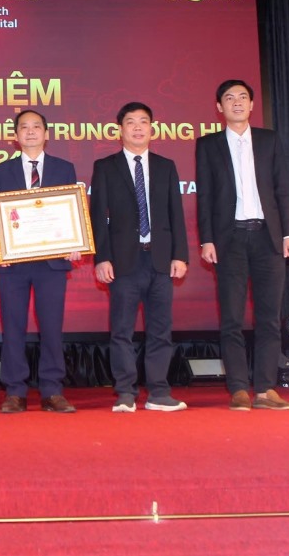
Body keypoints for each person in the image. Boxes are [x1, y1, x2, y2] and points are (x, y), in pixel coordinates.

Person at [196, 79, 289, 411]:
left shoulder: (269, 140)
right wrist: (207, 238)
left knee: (269, 318)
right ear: (219, 107)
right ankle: (239, 387)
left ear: (252, 105)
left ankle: (265, 389)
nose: (236, 102)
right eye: (229, 98)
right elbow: (206, 196)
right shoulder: (208, 145)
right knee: (232, 318)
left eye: (242, 97)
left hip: (268, 237)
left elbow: (283, 189)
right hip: (230, 239)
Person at [91, 102, 189, 413]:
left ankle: (159, 392)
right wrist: (102, 258)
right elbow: (98, 217)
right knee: (122, 330)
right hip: (123, 261)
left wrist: (180, 255)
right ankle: (125, 393)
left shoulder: (166, 166)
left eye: (143, 122)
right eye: (130, 122)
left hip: (160, 258)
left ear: (152, 128)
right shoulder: (105, 167)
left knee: (161, 329)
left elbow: (176, 214)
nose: (137, 127)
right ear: (119, 130)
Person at [0, 109, 80, 414]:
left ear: (46, 134)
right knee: (13, 327)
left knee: (51, 327)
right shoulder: (2, 171)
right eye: (23, 127)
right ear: (15, 136)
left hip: (52, 262)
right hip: (15, 263)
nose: (30, 132)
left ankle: (52, 390)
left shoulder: (65, 168)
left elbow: (72, 209)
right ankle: (15, 391)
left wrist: (75, 242)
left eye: (36, 127)